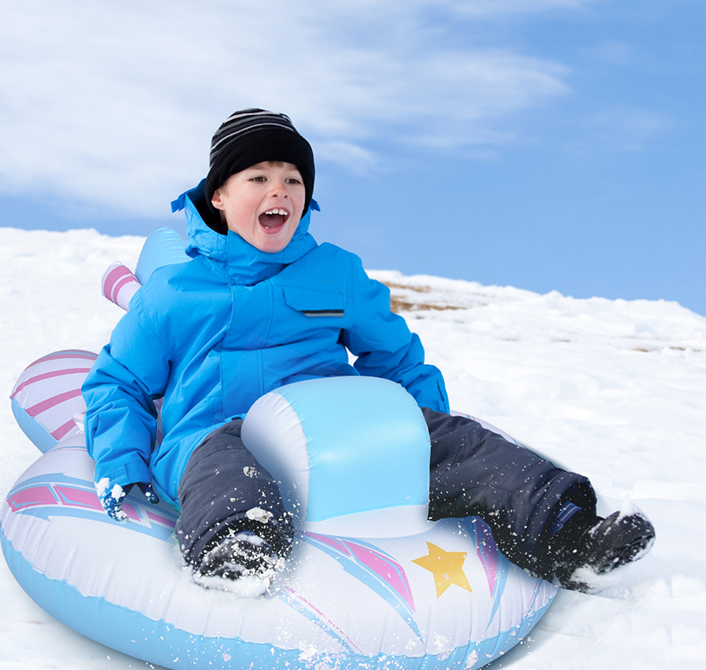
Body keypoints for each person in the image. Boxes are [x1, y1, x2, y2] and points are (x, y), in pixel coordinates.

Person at [82, 108, 655, 594]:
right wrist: (121, 460)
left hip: (327, 426)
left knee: (465, 446)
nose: (278, 190)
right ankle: (236, 547)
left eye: (293, 180)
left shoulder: (336, 272)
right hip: (215, 428)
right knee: (224, 464)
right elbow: (118, 383)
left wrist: (425, 425)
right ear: (219, 197)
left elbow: (398, 358)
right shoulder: (174, 293)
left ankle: (569, 534)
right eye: (257, 177)